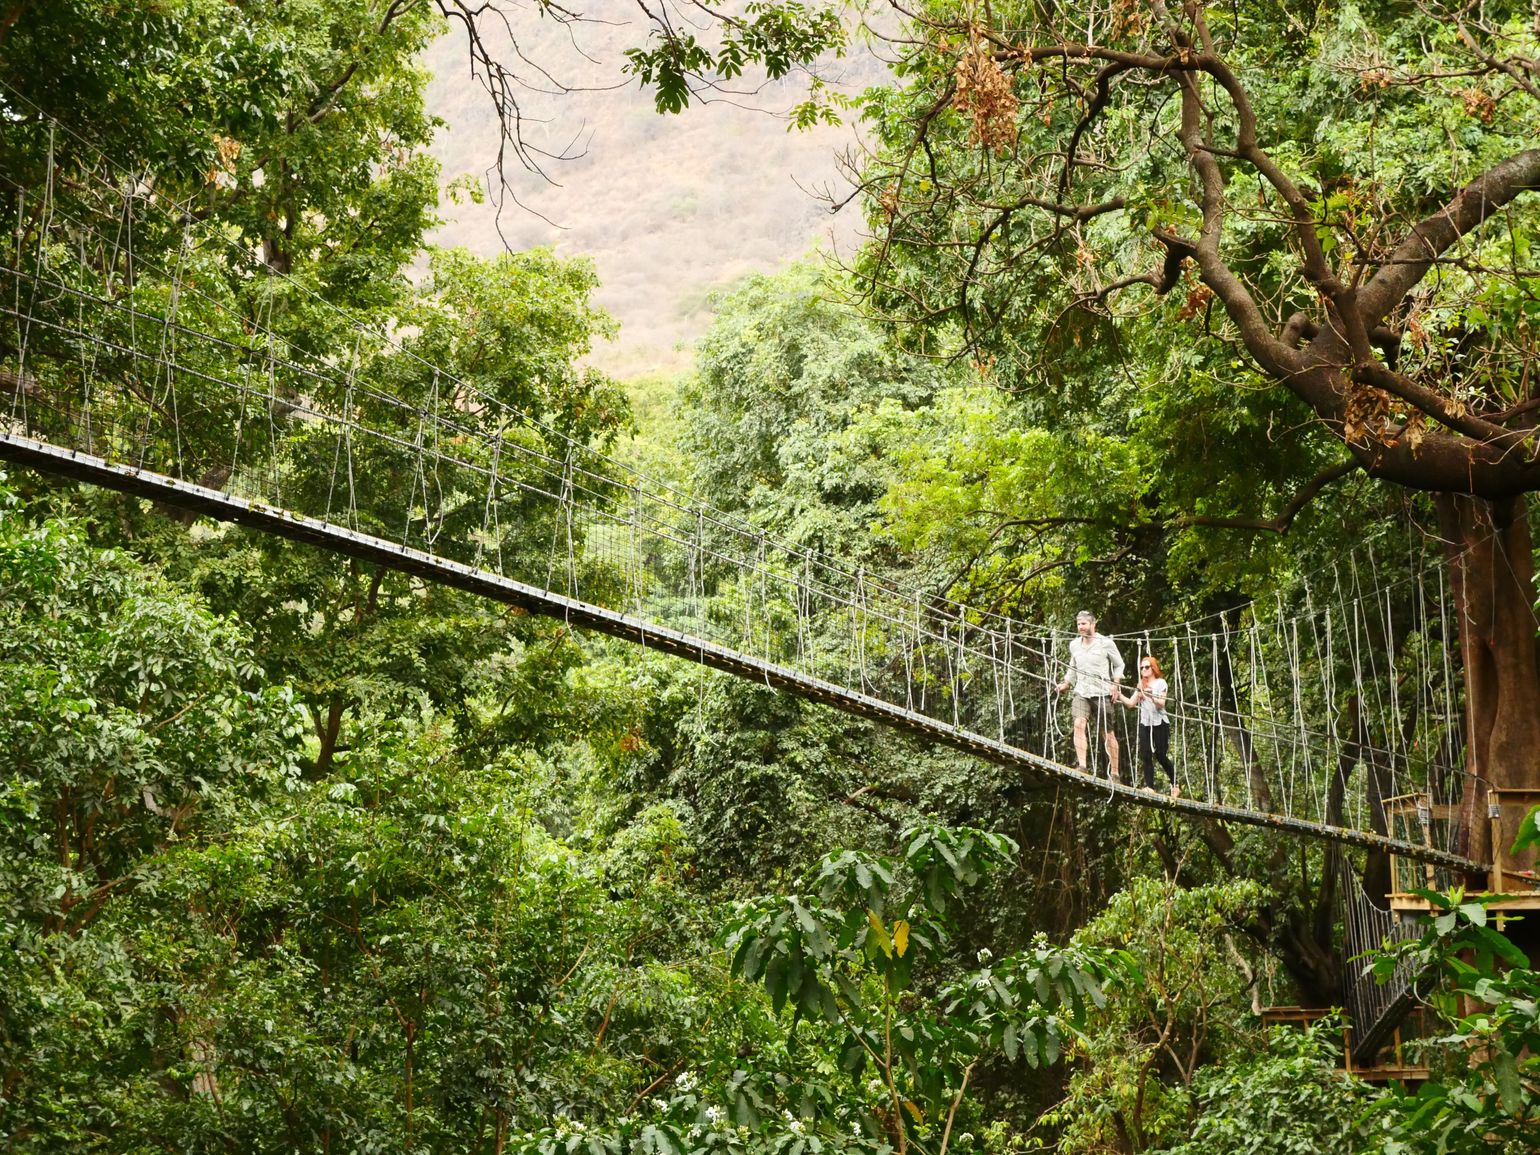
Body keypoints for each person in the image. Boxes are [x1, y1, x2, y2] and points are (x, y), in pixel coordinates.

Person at [1054, 610, 1124, 781]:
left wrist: (1115, 685)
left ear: (1093, 624)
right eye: (1078, 624)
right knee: (1078, 723)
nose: (1081, 627)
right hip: (1082, 692)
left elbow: (1119, 665)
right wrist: (1066, 683)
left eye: (1084, 624)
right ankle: (1083, 766)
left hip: (1102, 693)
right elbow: (1073, 667)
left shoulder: (1106, 643)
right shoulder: (1074, 645)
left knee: (1107, 733)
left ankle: (1115, 773)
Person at [1117, 654, 1177, 796]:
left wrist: (1150, 695)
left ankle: (1175, 783)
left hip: (1160, 723)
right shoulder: (1141, 685)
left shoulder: (1161, 683)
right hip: (1146, 723)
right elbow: (1131, 704)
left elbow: (1161, 704)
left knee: (1160, 755)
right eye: (1142, 668)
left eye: (1147, 667)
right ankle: (1150, 787)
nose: (1144, 669)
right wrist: (1119, 694)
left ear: (1153, 668)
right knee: (1146, 754)